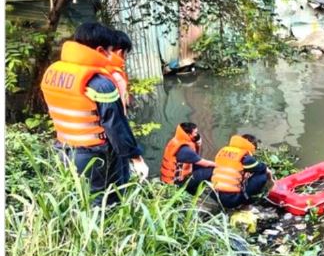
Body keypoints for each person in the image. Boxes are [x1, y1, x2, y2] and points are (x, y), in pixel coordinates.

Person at [40, 22, 148, 206]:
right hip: (95, 155)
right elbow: (116, 126)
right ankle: (107, 233)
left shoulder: (53, 73)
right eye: (109, 51)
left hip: (64, 149)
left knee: (80, 195)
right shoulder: (100, 84)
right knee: (106, 201)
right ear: (99, 50)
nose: (109, 56)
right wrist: (136, 157)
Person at [209, 134, 272, 210]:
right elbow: (263, 168)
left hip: (215, 195)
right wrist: (271, 180)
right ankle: (245, 204)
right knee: (262, 175)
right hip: (230, 200)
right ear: (251, 145)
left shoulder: (223, 151)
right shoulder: (245, 157)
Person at [160, 122, 216, 194]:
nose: (197, 135)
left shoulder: (176, 141)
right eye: (195, 133)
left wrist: (198, 145)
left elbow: (195, 158)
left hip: (168, 180)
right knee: (210, 170)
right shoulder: (184, 150)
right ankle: (212, 193)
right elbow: (206, 163)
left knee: (199, 166)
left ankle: (194, 189)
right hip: (176, 185)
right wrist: (221, 166)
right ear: (189, 135)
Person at [108, 30, 132, 112]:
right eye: (126, 53)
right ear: (120, 52)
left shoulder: (102, 71)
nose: (126, 58)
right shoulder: (116, 77)